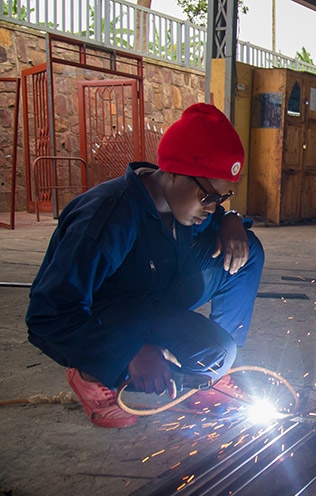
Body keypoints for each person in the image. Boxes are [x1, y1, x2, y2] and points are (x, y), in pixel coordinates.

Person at [26, 103, 265, 428]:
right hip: (105, 313)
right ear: (174, 171)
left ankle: (215, 378)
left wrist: (233, 219)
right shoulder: (106, 219)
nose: (211, 209)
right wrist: (128, 353)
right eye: (209, 198)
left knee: (224, 340)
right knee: (169, 355)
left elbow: (212, 217)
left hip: (151, 294)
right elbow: (47, 317)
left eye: (221, 200)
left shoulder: (180, 203)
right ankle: (91, 373)